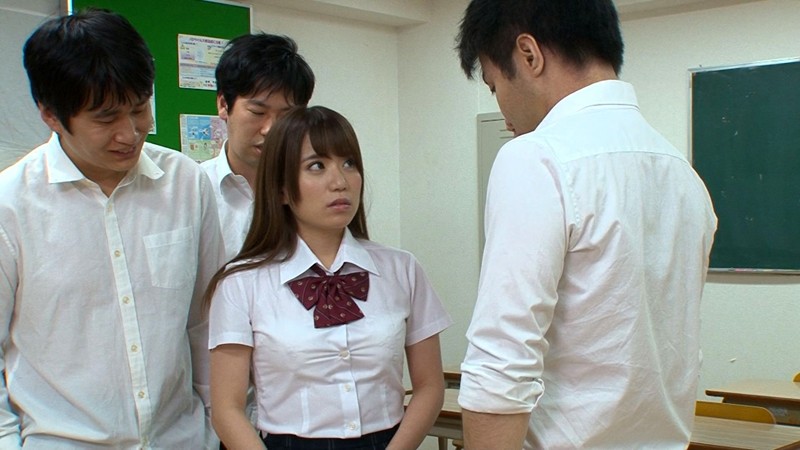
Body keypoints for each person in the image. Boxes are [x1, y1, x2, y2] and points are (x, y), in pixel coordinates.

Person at [455, 1, 717, 448]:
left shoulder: (536, 157)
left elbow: (501, 362)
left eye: (495, 86)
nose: (503, 112)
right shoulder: (683, 174)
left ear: (528, 55)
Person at [0, 9, 224, 448]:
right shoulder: (11, 205)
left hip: (181, 439)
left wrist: (218, 428)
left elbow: (206, 323)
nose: (130, 133)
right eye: (105, 118)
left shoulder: (186, 183)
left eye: (140, 109)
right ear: (50, 115)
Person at [206, 106, 452, 449]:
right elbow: (227, 409)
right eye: (317, 166)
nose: (340, 182)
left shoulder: (402, 269)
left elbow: (430, 386)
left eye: (349, 163)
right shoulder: (240, 284)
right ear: (281, 189)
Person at [201, 33, 315, 261]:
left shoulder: (311, 188)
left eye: (286, 115)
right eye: (257, 112)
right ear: (223, 105)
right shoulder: (195, 188)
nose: (270, 129)